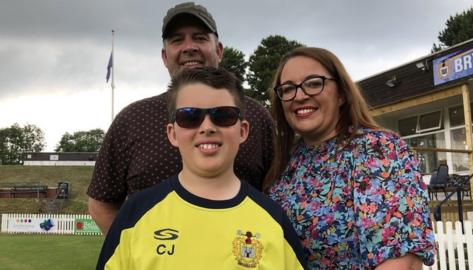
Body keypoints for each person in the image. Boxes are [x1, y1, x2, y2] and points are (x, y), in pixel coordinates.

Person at [87, 2, 274, 235]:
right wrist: (134, 250)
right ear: (165, 56)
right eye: (177, 40)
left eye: (200, 38)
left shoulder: (256, 115)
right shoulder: (132, 119)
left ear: (219, 50)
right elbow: (101, 202)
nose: (189, 47)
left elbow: (274, 193)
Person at [95, 67, 306, 270]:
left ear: (242, 131)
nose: (207, 127)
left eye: (224, 115)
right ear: (172, 134)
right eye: (189, 116)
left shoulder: (273, 220)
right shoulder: (136, 214)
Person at [264, 47, 436, 269]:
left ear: (341, 94)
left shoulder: (378, 151)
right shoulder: (285, 163)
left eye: (314, 83)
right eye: (288, 89)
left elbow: (402, 261)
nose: (299, 95)